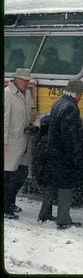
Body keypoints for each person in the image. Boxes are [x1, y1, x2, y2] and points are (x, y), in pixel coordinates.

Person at [38, 79, 83, 230]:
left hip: (53, 151)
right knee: (66, 186)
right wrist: (75, 154)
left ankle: (44, 214)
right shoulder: (71, 108)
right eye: (81, 94)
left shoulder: (59, 103)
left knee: (51, 184)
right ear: (77, 94)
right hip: (64, 155)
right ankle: (63, 220)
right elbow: (69, 135)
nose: (81, 97)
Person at [4, 68, 34, 219]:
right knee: (9, 176)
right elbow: (4, 120)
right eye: (23, 80)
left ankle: (10, 202)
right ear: (16, 79)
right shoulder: (7, 94)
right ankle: (6, 207)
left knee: (21, 174)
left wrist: (32, 125)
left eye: (27, 80)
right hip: (11, 142)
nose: (25, 82)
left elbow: (29, 114)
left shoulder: (27, 93)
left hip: (24, 141)